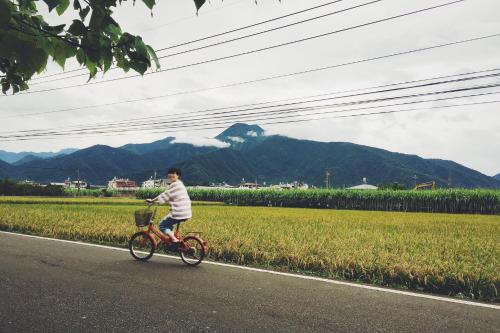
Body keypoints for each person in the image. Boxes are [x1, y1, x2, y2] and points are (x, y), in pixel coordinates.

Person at [146, 167, 192, 245]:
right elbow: (167, 195)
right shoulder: (180, 184)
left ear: (178, 176)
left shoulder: (175, 185)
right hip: (186, 212)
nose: (171, 178)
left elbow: (164, 195)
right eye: (169, 177)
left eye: (173, 176)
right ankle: (172, 241)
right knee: (168, 224)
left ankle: (174, 239)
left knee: (162, 225)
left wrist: (152, 200)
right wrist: (155, 200)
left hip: (179, 212)